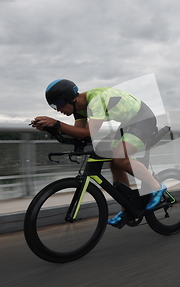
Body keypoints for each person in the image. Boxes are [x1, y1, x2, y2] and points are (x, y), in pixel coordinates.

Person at [31, 79, 166, 227]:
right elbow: (79, 135)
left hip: (143, 119)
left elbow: (87, 132)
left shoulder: (96, 100)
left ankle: (156, 187)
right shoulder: (79, 109)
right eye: (53, 105)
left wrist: (56, 123)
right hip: (128, 123)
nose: (57, 108)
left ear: (71, 97)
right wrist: (52, 128)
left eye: (58, 102)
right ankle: (127, 208)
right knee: (114, 164)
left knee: (120, 158)